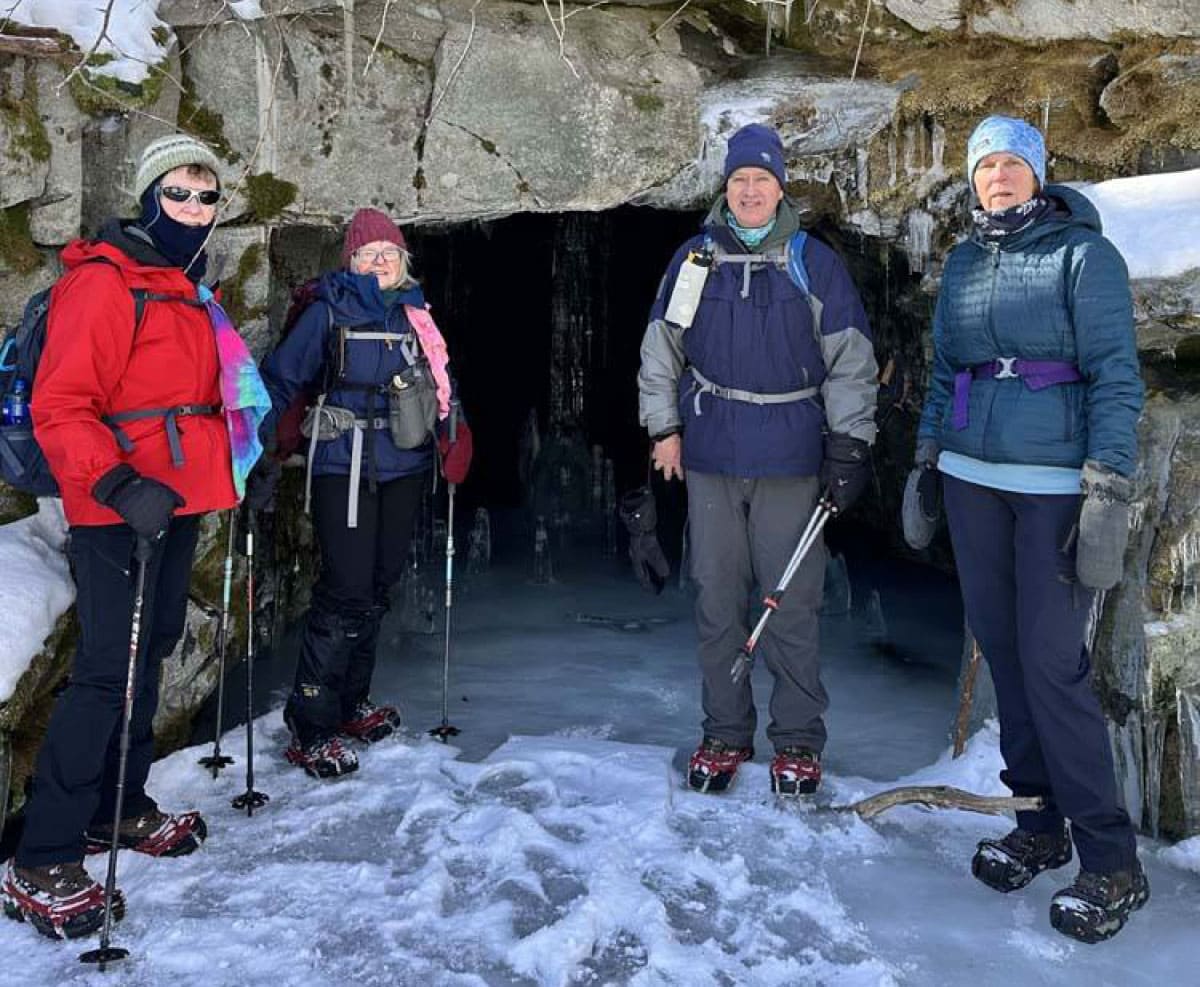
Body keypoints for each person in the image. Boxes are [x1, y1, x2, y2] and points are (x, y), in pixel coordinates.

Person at [1, 134, 268, 939]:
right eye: (180, 193)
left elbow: (208, 399)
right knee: (104, 670)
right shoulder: (105, 284)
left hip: (176, 500)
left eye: (207, 196)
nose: (195, 209)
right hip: (113, 504)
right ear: (149, 196)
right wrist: (117, 482)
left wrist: (244, 472)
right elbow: (63, 404)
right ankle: (41, 855)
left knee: (150, 648)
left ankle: (117, 805)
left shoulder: (190, 290)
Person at [911, 115, 1147, 943]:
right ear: (973, 181)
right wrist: (925, 459)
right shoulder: (966, 263)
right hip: (974, 479)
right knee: (1006, 653)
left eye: (1013, 162)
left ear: (1038, 174)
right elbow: (944, 369)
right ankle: (1037, 819)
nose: (999, 176)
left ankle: (1112, 860)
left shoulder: (1085, 256)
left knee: (1053, 664)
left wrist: (1108, 486)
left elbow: (1117, 375)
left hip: (1052, 486)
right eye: (986, 166)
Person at [637, 123, 877, 798]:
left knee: (791, 603)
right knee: (716, 597)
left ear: (780, 188)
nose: (749, 191)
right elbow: (662, 349)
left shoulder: (810, 260)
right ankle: (724, 730)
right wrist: (664, 427)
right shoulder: (696, 260)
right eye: (739, 180)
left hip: (791, 455)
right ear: (727, 187)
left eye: (761, 180)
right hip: (712, 452)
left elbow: (850, 360)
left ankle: (797, 739)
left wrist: (849, 442)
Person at [254, 208, 471, 779]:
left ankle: (351, 701)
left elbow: (440, 382)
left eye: (389, 254)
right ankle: (312, 722)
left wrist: (456, 433)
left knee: (378, 583)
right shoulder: (327, 312)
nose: (380, 262)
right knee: (345, 587)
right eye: (368, 255)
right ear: (350, 263)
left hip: (403, 462)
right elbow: (282, 377)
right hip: (341, 460)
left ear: (404, 262)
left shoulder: (415, 314)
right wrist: (261, 445)